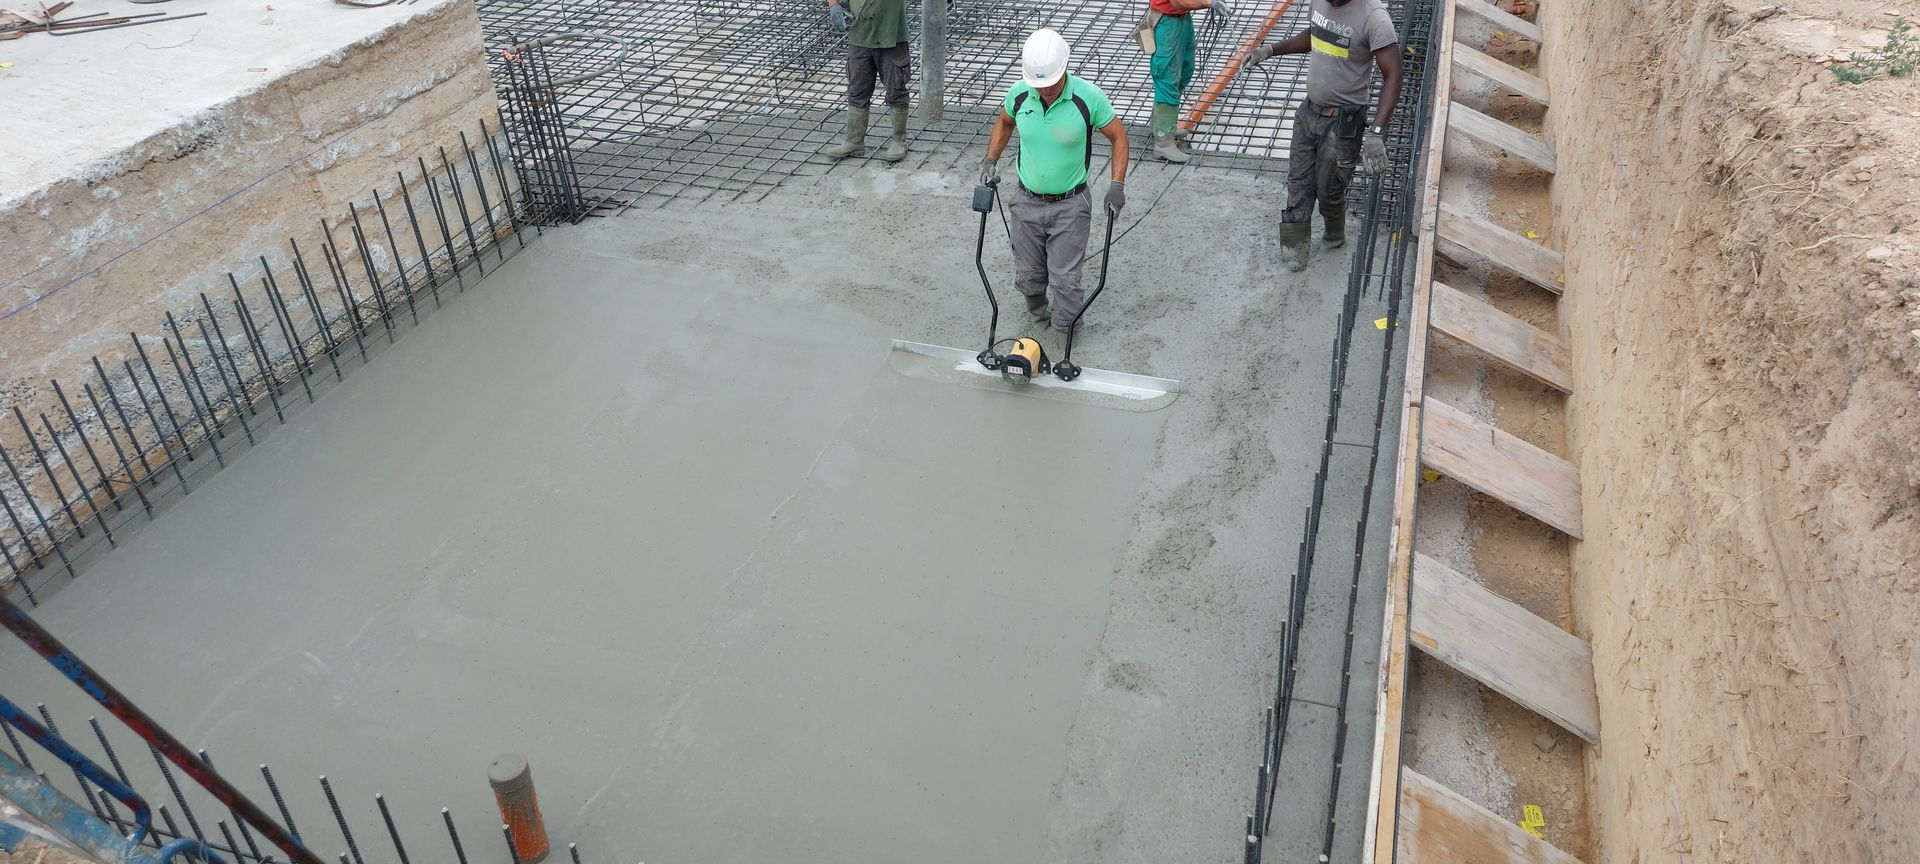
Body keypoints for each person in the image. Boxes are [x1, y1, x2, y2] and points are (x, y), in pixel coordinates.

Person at [980, 29, 1130, 333]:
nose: (1045, 90)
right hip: (1026, 202)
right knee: (1029, 273)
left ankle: (1066, 332)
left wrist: (1117, 185)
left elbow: (1119, 137)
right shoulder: (1020, 94)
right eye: (1039, 84)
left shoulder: (1088, 97)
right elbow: (1004, 122)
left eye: (1050, 83)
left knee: (1065, 278)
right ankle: (1038, 320)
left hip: (1071, 205)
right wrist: (990, 160)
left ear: (1064, 68)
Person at [1243, 0, 1402, 270]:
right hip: (1309, 113)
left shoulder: (1374, 17)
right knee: (1298, 183)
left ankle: (1334, 237)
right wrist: (1271, 50)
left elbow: (1394, 74)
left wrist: (1377, 132)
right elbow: (1315, 33)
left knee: (1330, 189)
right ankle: (1294, 251)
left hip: (1342, 123)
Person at [1142, 0, 1230, 163]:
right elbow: (1177, 2)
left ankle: (1161, 126)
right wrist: (1210, 3)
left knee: (1184, 71)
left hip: (1182, 19)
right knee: (1167, 77)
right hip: (1167, 20)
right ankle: (1163, 142)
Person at [823, 0, 912, 162]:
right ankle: (854, 141)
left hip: (891, 34)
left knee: (896, 88)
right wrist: (834, 4)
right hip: (860, 36)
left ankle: (899, 140)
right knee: (857, 90)